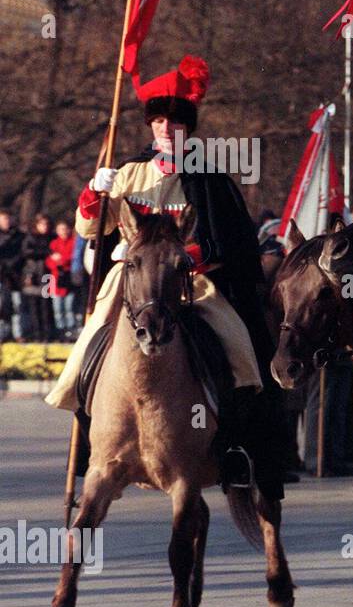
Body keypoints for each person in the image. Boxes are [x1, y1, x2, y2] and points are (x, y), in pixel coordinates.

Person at [45, 55, 293, 498]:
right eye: (158, 121)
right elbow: (90, 229)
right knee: (84, 354)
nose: (165, 129)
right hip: (129, 284)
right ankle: (90, 443)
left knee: (239, 348)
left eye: (174, 123)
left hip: (192, 285)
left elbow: (230, 243)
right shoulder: (126, 173)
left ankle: (232, 445)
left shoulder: (208, 178)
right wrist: (94, 194)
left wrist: (186, 258)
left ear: (187, 129)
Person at [19, 213, 55, 343]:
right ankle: (36, 333)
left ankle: (47, 334)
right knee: (34, 307)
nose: (44, 227)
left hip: (46, 276)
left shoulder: (52, 238)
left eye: (46, 224)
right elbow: (26, 253)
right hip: (33, 275)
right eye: (42, 224)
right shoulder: (30, 238)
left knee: (46, 306)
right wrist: (46, 252)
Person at [46, 219, 77, 340]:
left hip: (69, 279)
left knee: (69, 308)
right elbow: (49, 261)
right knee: (58, 309)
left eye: (65, 229)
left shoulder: (73, 242)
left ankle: (70, 332)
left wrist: (60, 260)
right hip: (55, 280)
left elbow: (73, 258)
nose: (63, 231)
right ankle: (60, 331)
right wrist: (56, 262)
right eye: (60, 229)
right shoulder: (53, 243)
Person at [0, 208, 24, 341]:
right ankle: (2, 333)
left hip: (15, 275)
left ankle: (18, 333)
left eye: (8, 219)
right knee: (1, 307)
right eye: (3, 219)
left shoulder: (19, 235)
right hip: (1, 275)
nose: (6, 222)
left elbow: (23, 253)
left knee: (17, 305)